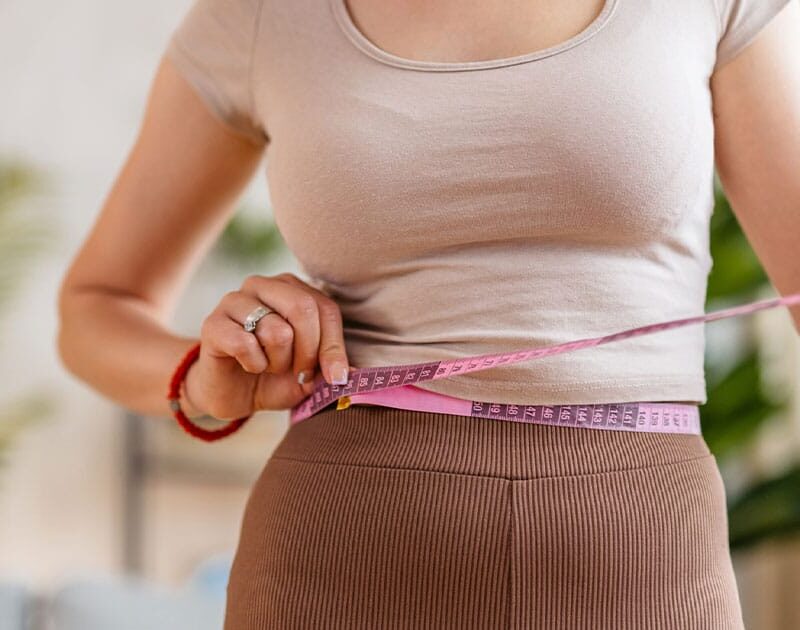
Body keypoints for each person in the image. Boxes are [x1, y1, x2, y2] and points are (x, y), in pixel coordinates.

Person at [56, 0, 800, 627]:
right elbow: (96, 308)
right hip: (334, 552)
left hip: (643, 549)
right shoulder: (263, 15)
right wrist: (200, 376)